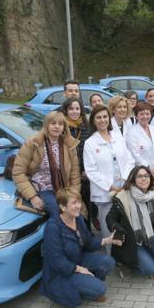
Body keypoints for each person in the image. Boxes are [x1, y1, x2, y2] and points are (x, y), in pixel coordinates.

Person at [41, 189, 118, 306]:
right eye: (74, 203)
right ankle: (77, 289)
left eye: (79, 202)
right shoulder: (53, 227)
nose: (78, 206)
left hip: (78, 259)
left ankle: (86, 283)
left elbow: (88, 242)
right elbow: (57, 261)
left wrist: (107, 240)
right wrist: (79, 269)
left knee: (109, 262)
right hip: (60, 273)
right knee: (100, 289)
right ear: (63, 207)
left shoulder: (78, 218)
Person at [84, 105, 135, 251]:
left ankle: (125, 256)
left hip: (123, 188)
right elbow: (91, 171)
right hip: (105, 193)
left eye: (105, 116)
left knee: (125, 223)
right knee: (109, 227)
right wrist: (110, 186)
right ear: (93, 121)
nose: (102, 120)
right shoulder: (90, 143)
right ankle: (111, 257)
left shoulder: (117, 136)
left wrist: (125, 179)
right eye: (98, 117)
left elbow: (129, 159)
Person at [13, 111, 81, 219]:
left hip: (64, 189)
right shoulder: (34, 143)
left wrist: (74, 195)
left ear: (64, 127)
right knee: (58, 213)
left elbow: (75, 175)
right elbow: (18, 172)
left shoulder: (69, 144)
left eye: (60, 124)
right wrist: (32, 196)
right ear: (46, 125)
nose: (57, 127)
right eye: (53, 123)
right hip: (41, 188)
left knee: (78, 215)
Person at [106, 166, 154, 279]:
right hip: (131, 239)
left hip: (149, 234)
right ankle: (125, 264)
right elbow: (110, 218)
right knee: (150, 269)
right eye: (139, 176)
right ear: (133, 179)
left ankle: (145, 256)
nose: (144, 179)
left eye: (146, 175)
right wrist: (116, 228)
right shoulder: (123, 196)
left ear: (150, 178)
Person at [59, 97, 93, 226]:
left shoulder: (86, 127)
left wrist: (86, 170)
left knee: (85, 206)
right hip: (70, 175)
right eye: (71, 109)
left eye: (77, 108)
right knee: (72, 206)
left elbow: (89, 151)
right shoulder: (62, 128)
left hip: (85, 174)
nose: (75, 111)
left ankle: (86, 231)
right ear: (66, 110)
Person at [125, 102, 154, 171]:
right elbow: (135, 155)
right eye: (141, 114)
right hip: (141, 170)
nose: (145, 117)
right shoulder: (131, 132)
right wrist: (148, 168)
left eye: (147, 114)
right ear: (136, 116)